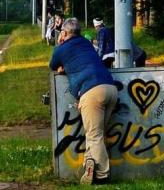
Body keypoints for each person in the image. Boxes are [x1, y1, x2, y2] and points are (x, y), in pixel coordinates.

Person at [50, 17, 117, 185]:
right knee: (97, 134)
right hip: (110, 88)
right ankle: (90, 163)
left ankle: (102, 176)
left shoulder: (62, 48)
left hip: (91, 92)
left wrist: (60, 45)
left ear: (64, 33)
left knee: (94, 135)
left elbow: (53, 64)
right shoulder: (87, 43)